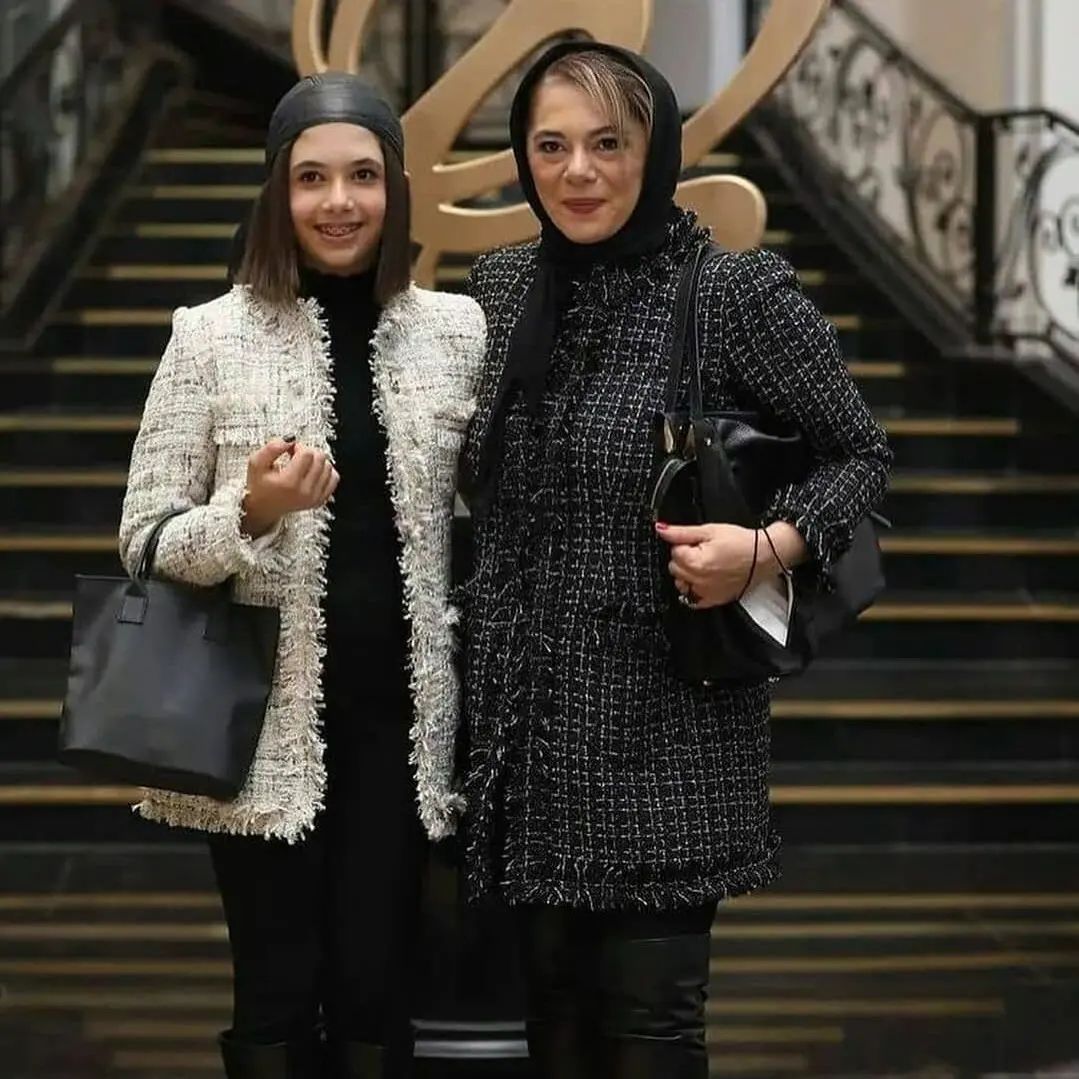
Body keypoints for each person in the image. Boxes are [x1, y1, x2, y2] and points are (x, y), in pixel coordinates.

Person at [459, 42, 892, 1078]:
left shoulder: (730, 293)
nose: (578, 172)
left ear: (654, 153)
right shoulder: (504, 286)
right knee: (553, 1031)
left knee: (649, 1033)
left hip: (665, 733)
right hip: (525, 741)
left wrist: (765, 548)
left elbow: (859, 454)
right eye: (550, 146)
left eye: (608, 144)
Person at [118, 73, 485, 1078]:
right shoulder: (208, 335)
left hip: (404, 730)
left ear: (395, 188)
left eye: (362, 175)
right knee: (275, 989)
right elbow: (144, 539)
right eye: (311, 178)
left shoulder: (457, 332)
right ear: (276, 193)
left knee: (378, 990)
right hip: (257, 730)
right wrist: (251, 511)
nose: (338, 201)